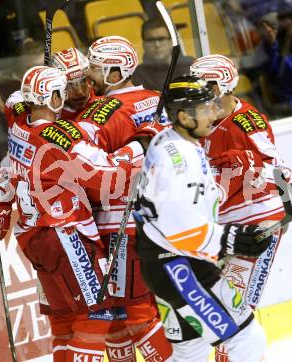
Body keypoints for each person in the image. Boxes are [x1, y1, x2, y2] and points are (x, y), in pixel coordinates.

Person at [0, 65, 151, 361]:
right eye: (61, 92)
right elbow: (104, 173)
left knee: (64, 320)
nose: (67, 97)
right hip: (66, 235)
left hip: (34, 239)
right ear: (52, 96)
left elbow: (13, 103)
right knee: (95, 314)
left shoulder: (19, 123)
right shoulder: (59, 137)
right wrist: (139, 146)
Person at [133, 75, 274, 362]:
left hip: (170, 263)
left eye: (212, 105)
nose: (214, 113)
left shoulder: (176, 141)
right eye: (205, 108)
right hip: (179, 267)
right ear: (184, 116)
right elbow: (177, 223)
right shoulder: (178, 158)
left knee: (191, 351)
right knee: (246, 338)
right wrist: (230, 238)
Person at [190, 54, 291, 362]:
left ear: (221, 87)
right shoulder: (200, 120)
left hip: (258, 224)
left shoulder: (247, 122)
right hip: (225, 229)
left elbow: (279, 170)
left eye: (201, 85)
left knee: (235, 313)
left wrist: (243, 166)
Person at [81, 35, 173, 362]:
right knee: (134, 306)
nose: (88, 74)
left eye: (94, 68)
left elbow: (88, 176)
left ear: (116, 72)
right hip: (165, 217)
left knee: (127, 310)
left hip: (120, 224)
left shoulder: (100, 113)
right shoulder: (159, 100)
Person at [132, 18, 194, 91]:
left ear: (171, 42)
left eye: (161, 39)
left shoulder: (191, 65)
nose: (157, 45)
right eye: (150, 40)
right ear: (144, 45)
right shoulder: (137, 75)